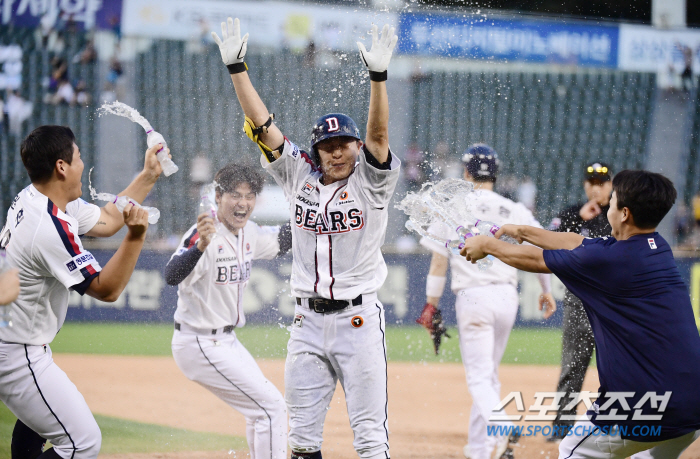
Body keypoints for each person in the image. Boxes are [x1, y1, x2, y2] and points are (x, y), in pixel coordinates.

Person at [212, 17, 400, 459]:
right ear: (315, 152)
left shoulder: (372, 182)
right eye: (328, 145)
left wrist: (377, 78)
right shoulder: (299, 175)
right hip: (306, 323)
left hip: (358, 322)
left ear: (356, 147)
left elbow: (379, 135)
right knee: (300, 440)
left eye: (344, 143)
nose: (337, 151)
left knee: (370, 439)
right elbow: (263, 125)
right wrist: (237, 69)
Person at [460, 170, 700, 459]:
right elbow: (576, 242)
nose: (606, 206)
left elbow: (537, 260)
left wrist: (487, 245)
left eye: (612, 202)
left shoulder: (608, 261)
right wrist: (520, 230)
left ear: (623, 214)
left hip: (639, 408)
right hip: (692, 407)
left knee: (573, 451)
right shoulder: (656, 247)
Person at [0, 125, 167, 459]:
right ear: (62, 167)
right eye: (77, 156)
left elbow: (107, 219)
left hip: (16, 339)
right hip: (17, 351)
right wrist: (136, 237)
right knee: (82, 442)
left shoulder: (40, 198)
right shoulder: (48, 226)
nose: (82, 162)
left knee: (38, 425)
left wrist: (148, 176)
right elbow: (107, 290)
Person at [418, 144, 556, 459]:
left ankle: (503, 428)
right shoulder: (514, 209)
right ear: (495, 173)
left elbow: (439, 264)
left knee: (479, 377)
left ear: (466, 173)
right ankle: (479, 449)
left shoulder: (453, 207)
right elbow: (540, 251)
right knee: (489, 375)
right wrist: (546, 290)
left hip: (473, 297)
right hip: (507, 297)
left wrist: (430, 305)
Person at [164, 163, 292, 459]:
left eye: (249, 196)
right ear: (219, 197)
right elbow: (171, 275)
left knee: (260, 412)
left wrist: (314, 210)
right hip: (199, 342)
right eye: (235, 195)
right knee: (271, 407)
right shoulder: (203, 233)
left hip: (227, 341)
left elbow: (284, 239)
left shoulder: (249, 233)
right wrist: (199, 247)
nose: (243, 203)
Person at [547, 162, 613, 441]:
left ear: (611, 185)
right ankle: (562, 426)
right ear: (585, 185)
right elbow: (549, 240)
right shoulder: (573, 214)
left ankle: (615, 424)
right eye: (591, 182)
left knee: (615, 365)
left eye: (602, 182)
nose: (596, 187)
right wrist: (579, 221)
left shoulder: (621, 214)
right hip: (579, 299)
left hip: (613, 302)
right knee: (573, 364)